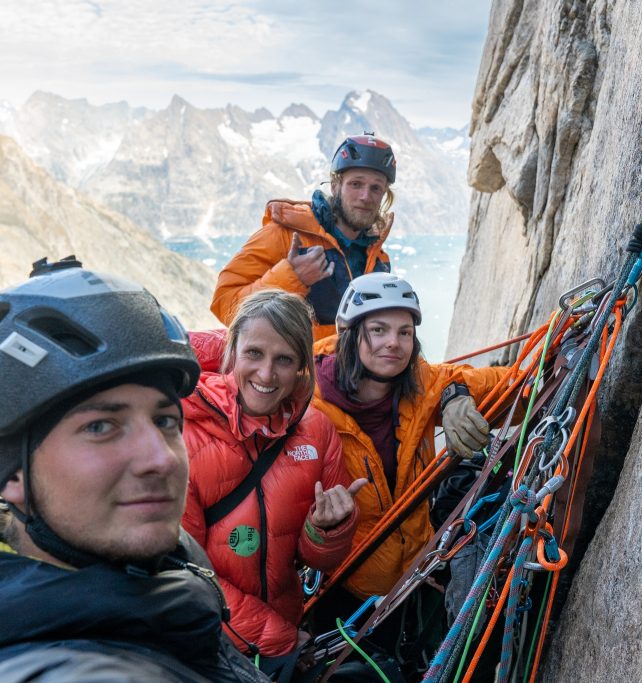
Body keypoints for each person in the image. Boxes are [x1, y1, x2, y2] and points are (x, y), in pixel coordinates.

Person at [0, 256, 269, 683]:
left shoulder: (157, 575)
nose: (160, 458)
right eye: (101, 426)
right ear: (14, 474)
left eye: (165, 421)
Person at [181, 290, 367, 675]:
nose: (266, 375)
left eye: (284, 359)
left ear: (302, 366)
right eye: (254, 354)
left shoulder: (316, 432)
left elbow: (317, 561)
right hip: (208, 644)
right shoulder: (185, 437)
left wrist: (328, 531)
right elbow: (184, 573)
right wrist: (277, 639)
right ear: (232, 351)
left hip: (282, 637)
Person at [312, 273, 509, 602]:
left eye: (405, 332)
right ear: (349, 334)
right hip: (345, 590)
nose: (394, 342)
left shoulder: (423, 383)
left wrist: (455, 395)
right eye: (378, 330)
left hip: (417, 572)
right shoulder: (309, 403)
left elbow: (511, 386)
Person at [211, 134, 397, 339]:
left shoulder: (378, 260)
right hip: (297, 370)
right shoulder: (285, 235)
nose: (365, 196)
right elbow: (224, 304)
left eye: (376, 188)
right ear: (335, 186)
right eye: (356, 184)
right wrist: (291, 278)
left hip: (350, 371)